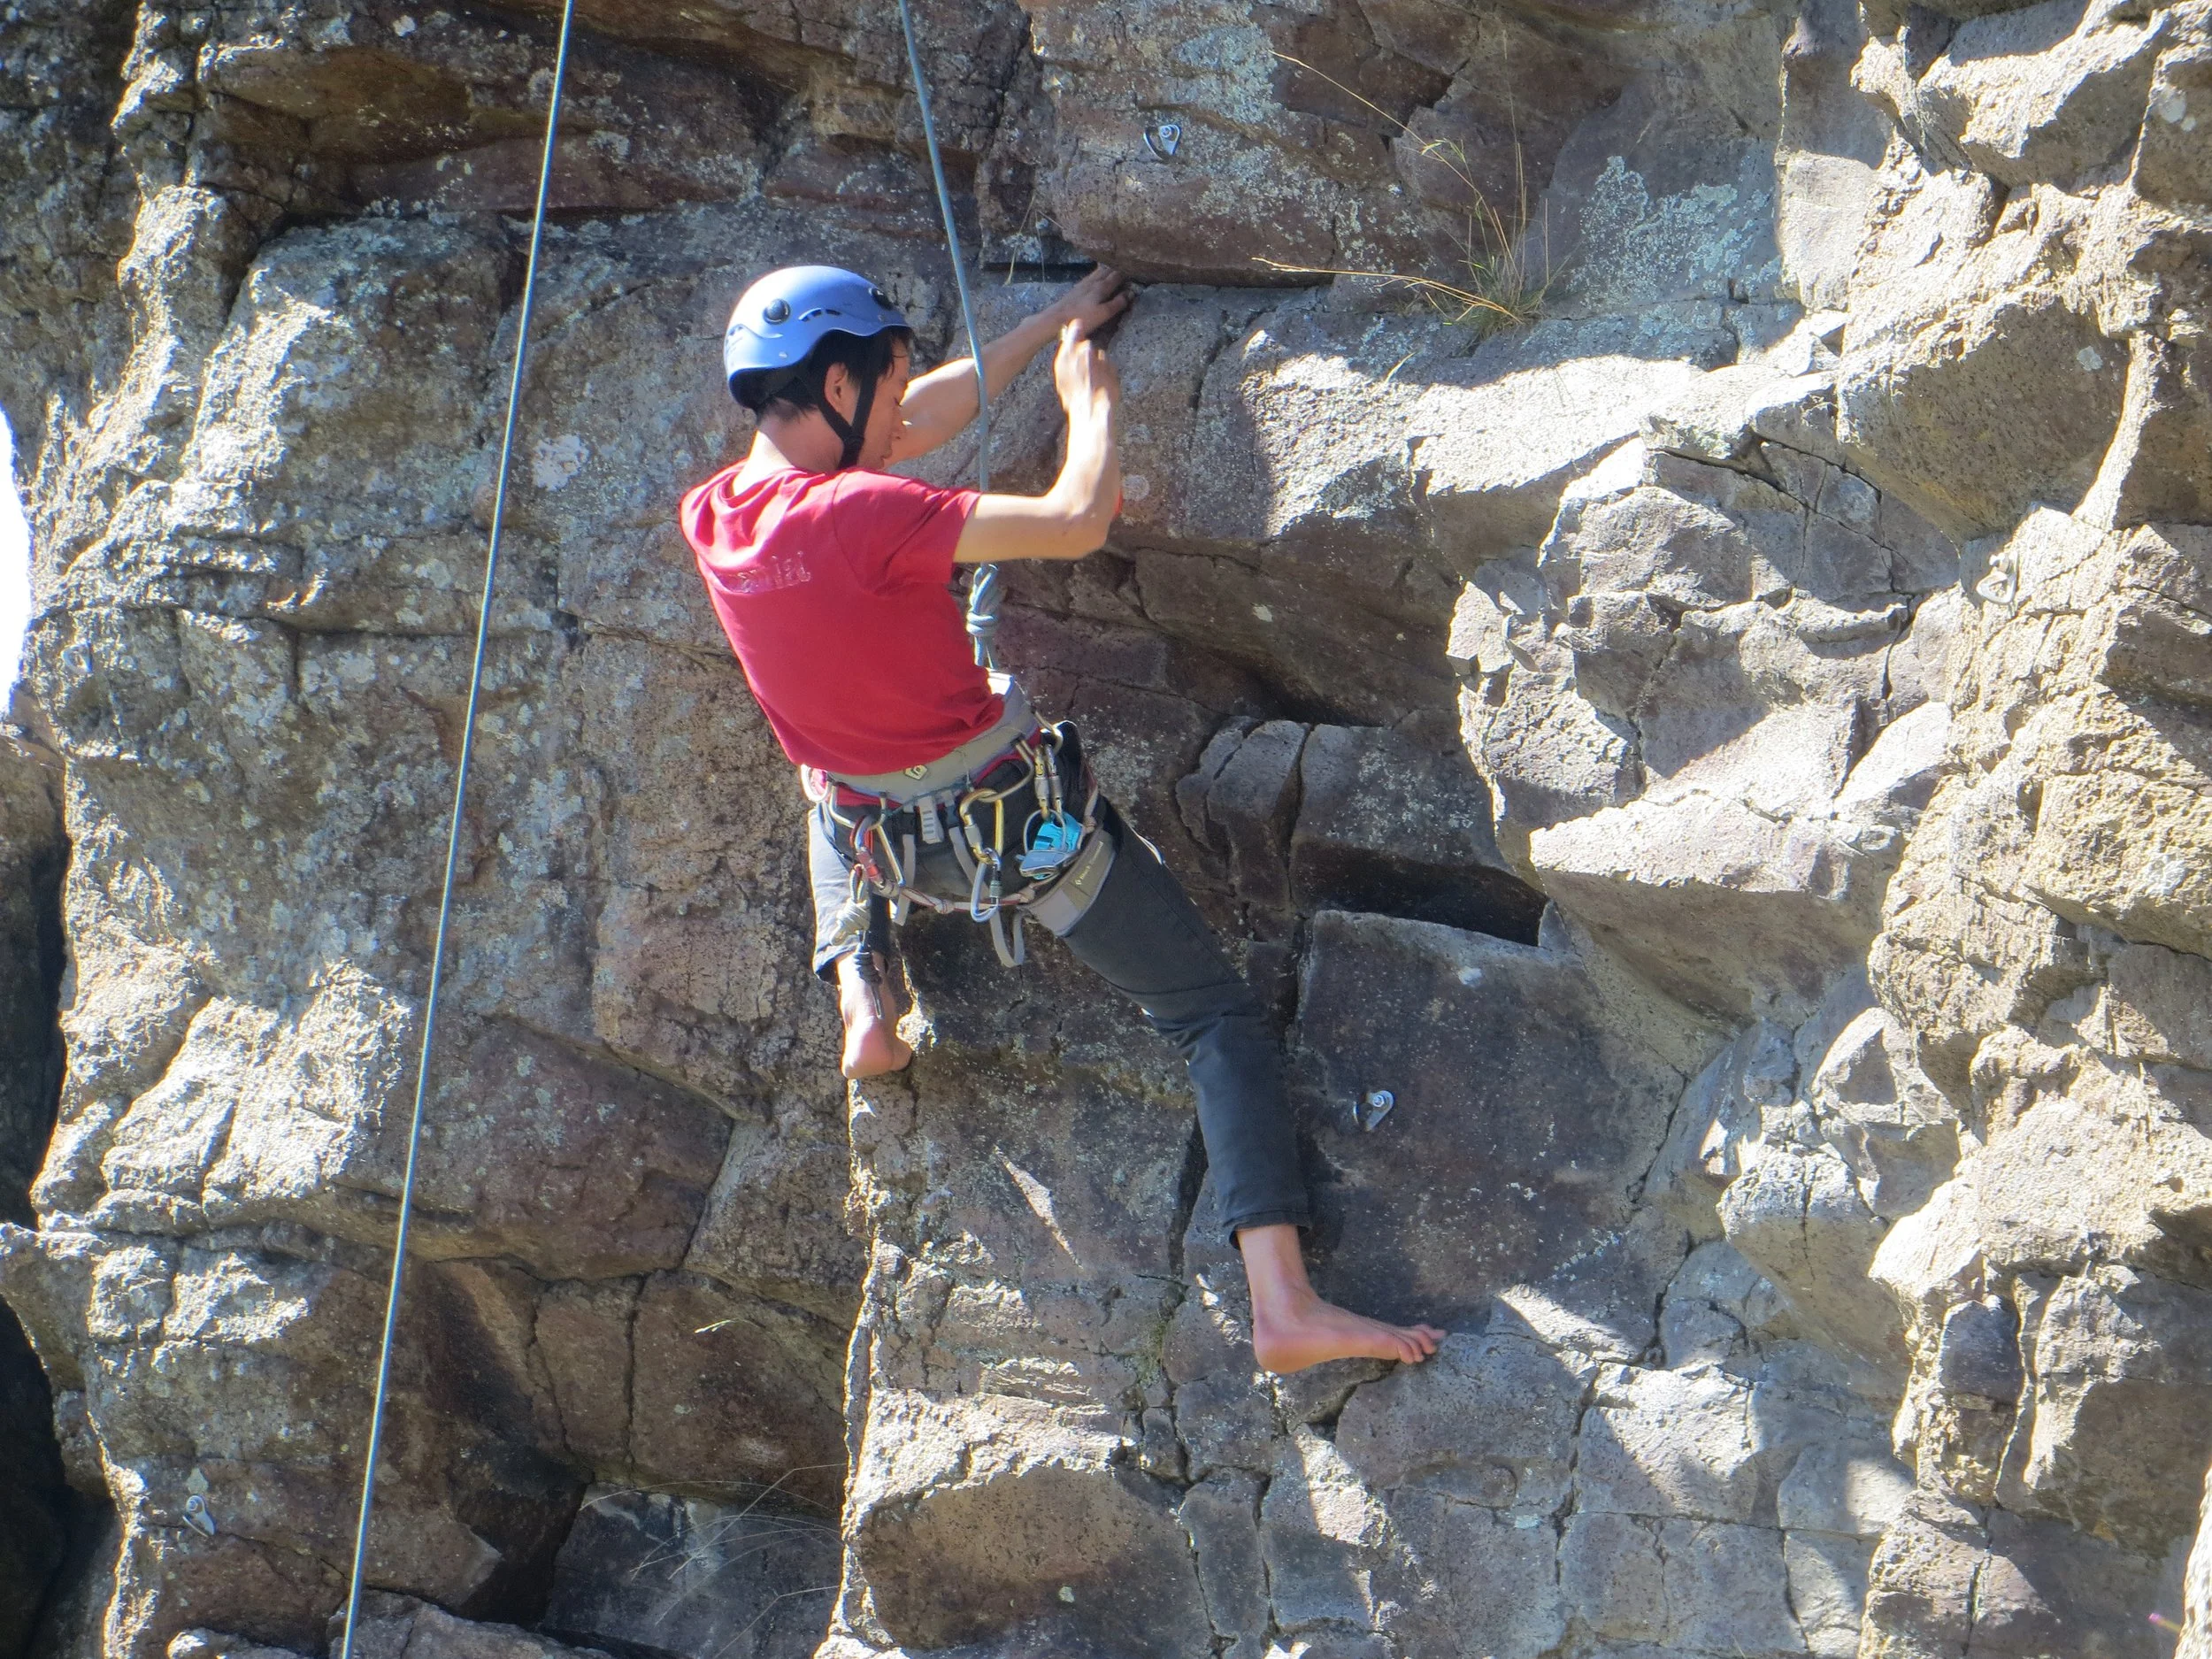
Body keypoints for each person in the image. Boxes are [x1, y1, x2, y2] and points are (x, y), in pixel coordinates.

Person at [679, 264, 1442, 1374]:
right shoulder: (866, 514)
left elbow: (920, 415)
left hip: (882, 844)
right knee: (1213, 1021)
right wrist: (1090, 403)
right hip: (1020, 839)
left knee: (819, 777)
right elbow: (1076, 521)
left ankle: (864, 991)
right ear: (840, 385)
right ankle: (1284, 1305)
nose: (902, 414)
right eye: (886, 389)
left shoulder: (717, 515)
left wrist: (1043, 326)